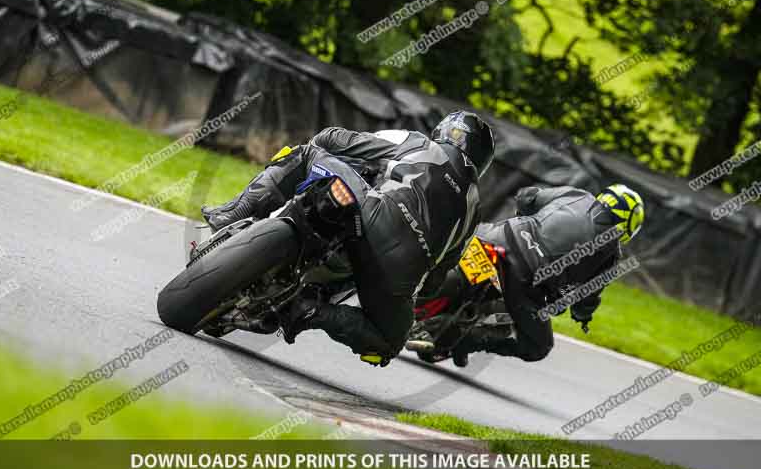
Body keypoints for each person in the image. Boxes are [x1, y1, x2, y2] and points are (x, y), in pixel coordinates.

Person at [201, 111, 496, 365]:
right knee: (388, 342)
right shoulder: (474, 211)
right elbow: (434, 282)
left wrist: (321, 157)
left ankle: (233, 213)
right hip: (395, 274)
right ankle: (312, 311)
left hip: (368, 216)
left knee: (305, 153)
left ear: (444, 131)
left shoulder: (418, 142)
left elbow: (332, 139)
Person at [408, 183, 645, 366]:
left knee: (449, 247)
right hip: (524, 278)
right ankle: (465, 342)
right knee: (539, 346)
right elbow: (587, 296)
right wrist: (582, 315)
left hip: (498, 234)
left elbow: (527, 196)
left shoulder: (577, 195)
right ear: (628, 226)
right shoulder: (611, 252)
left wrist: (523, 217)